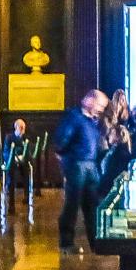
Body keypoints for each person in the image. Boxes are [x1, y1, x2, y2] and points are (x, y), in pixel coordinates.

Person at [52, 88, 108, 253]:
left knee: (93, 205)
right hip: (77, 165)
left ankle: (96, 243)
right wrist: (65, 157)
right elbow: (61, 140)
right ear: (89, 100)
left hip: (90, 166)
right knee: (73, 203)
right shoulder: (74, 117)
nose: (100, 109)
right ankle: (66, 243)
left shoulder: (91, 120)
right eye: (99, 105)